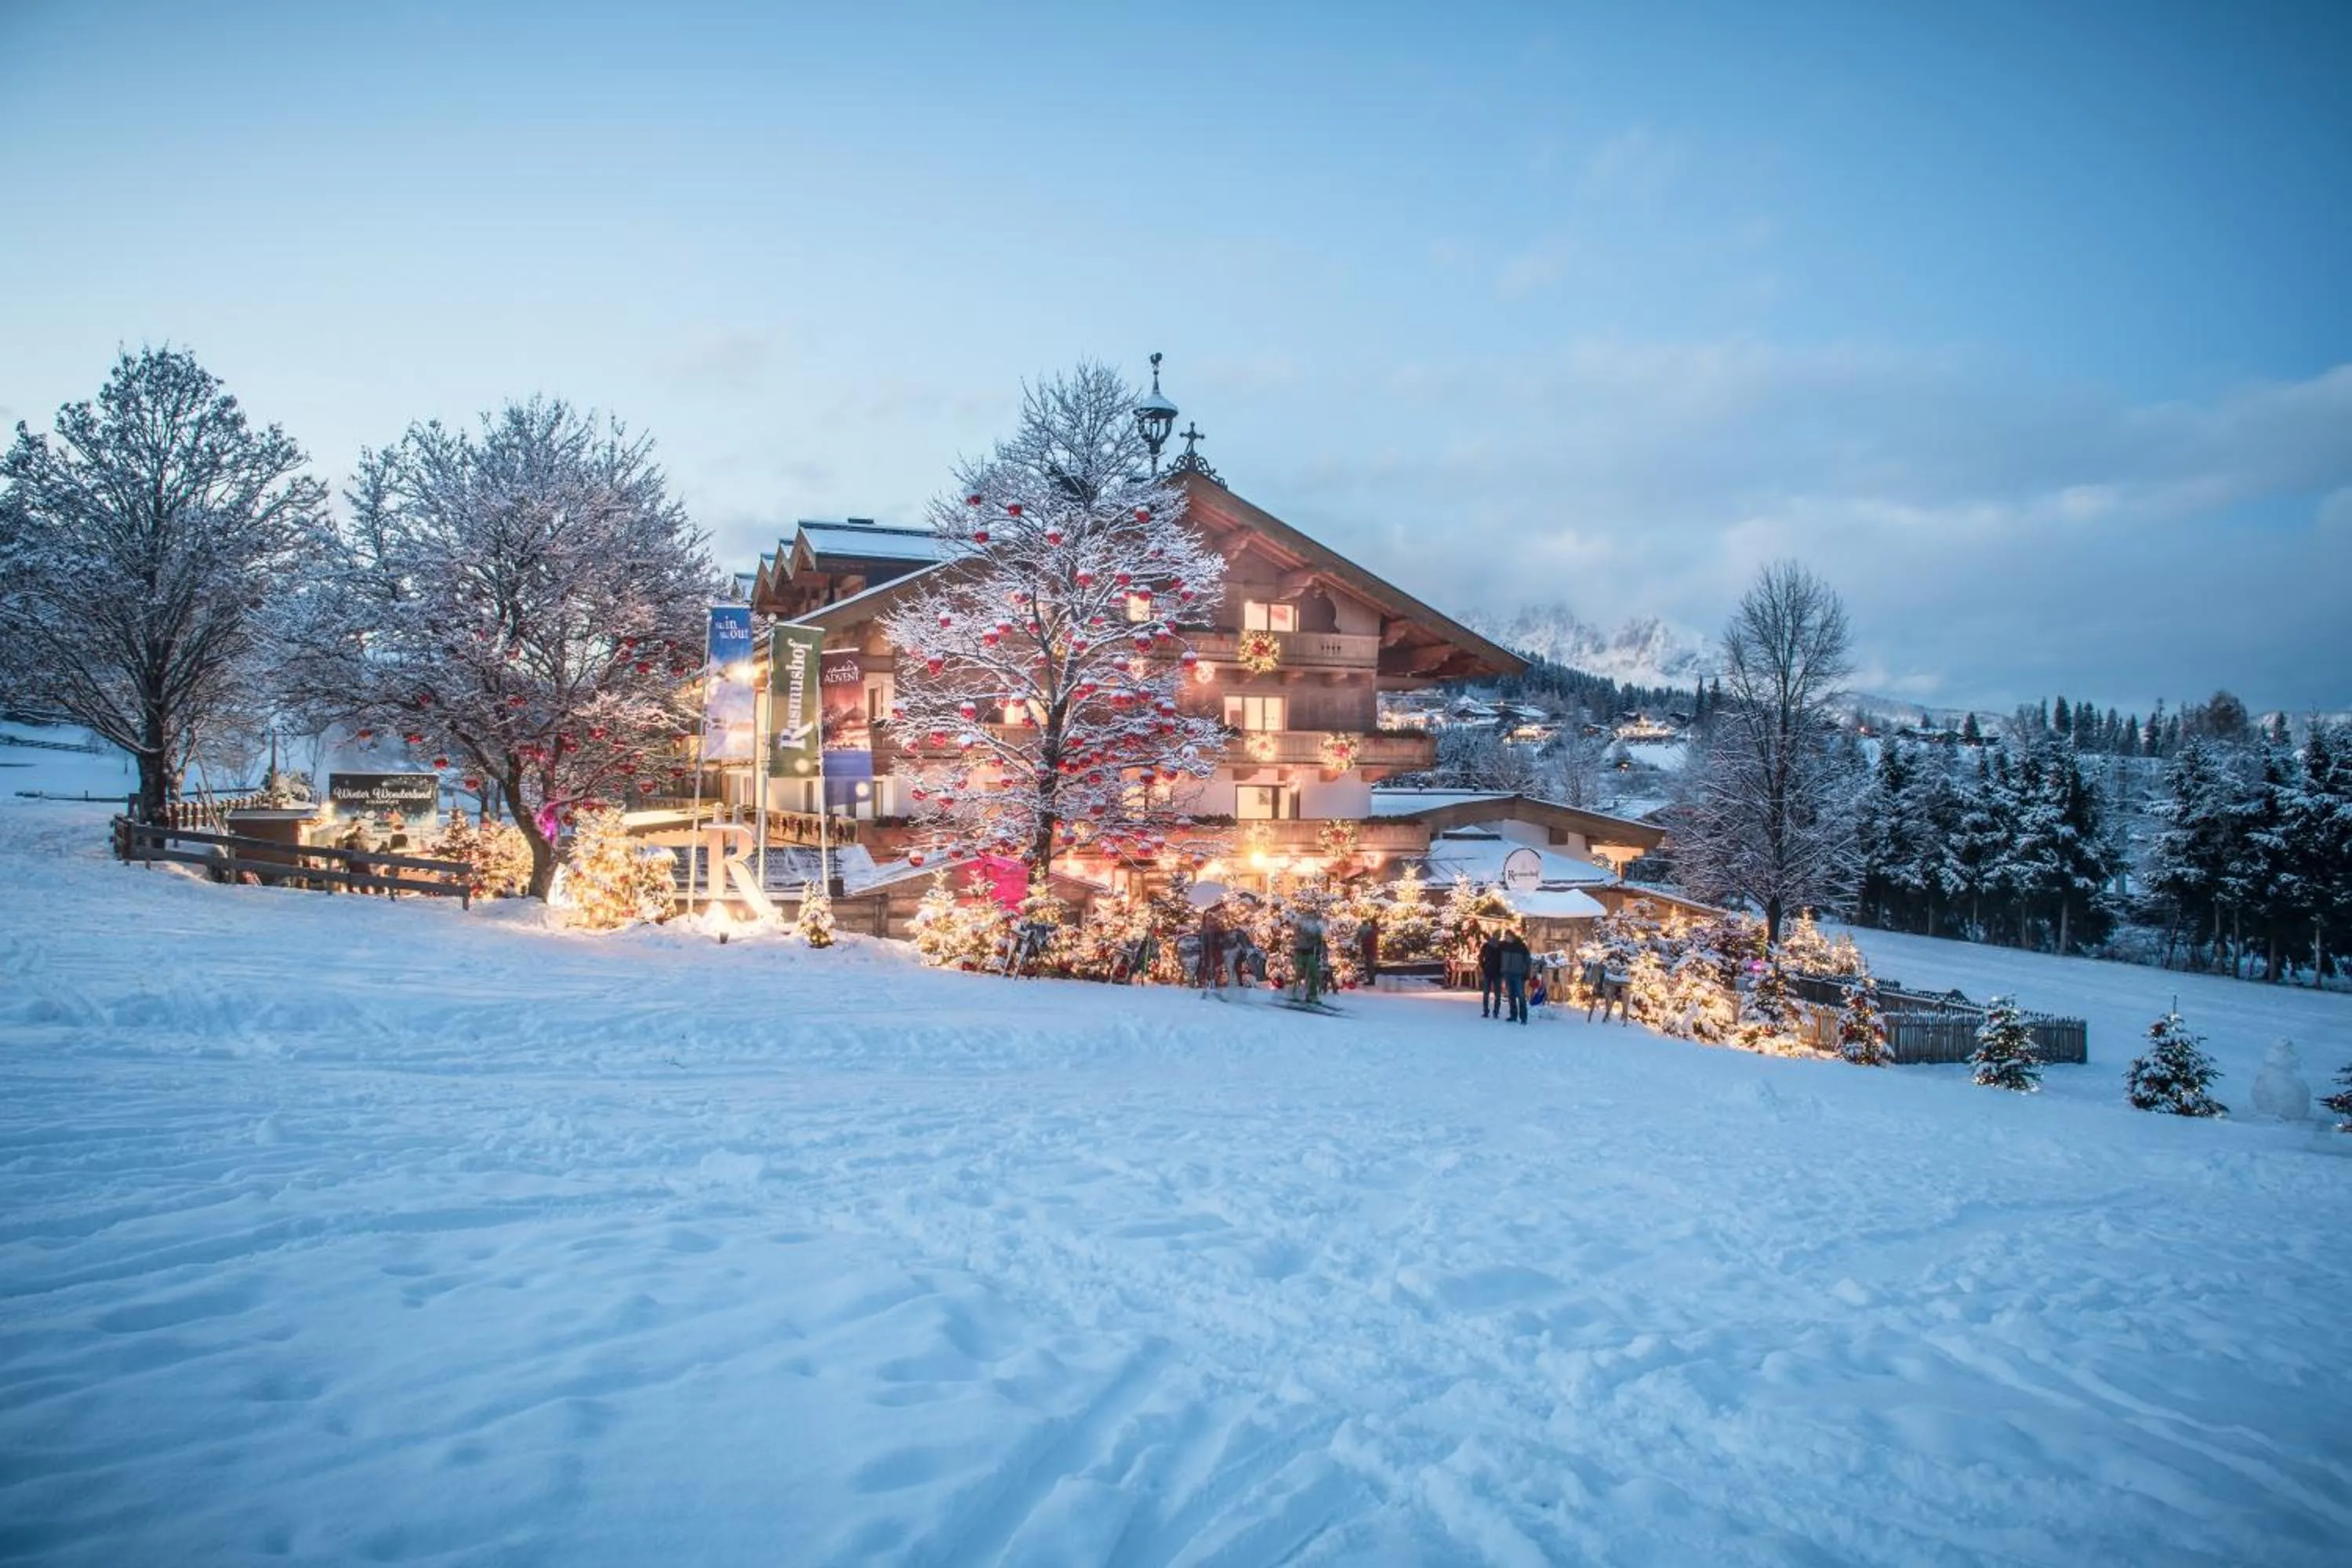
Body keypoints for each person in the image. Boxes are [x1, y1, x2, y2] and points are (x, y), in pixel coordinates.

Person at [1499, 931, 1533, 1024]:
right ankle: (1513, 1016)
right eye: (1505, 937)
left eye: (1507, 937)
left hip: (1518, 974)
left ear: (1512, 937)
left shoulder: (1521, 946)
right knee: (1511, 996)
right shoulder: (1503, 946)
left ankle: (1523, 1018)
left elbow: (1528, 960)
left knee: (1521, 996)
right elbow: (1493, 944)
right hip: (1507, 973)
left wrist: (1527, 973)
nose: (1506, 939)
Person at [1196, 905, 1225, 990]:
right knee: (1205, 965)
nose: (1209, 921)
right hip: (1206, 951)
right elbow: (1202, 941)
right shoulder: (1203, 930)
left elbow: (1222, 937)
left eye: (1211, 919)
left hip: (1215, 950)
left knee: (1214, 966)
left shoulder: (1217, 928)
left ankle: (1213, 980)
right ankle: (1204, 981)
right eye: (1208, 919)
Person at [1479, 930, 1504, 1018]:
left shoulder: (1486, 945)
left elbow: (1481, 957)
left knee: (1486, 993)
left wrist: (1483, 966)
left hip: (1488, 971)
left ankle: (1486, 1011)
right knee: (1497, 994)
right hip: (1497, 972)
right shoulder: (1502, 946)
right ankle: (1496, 1012)